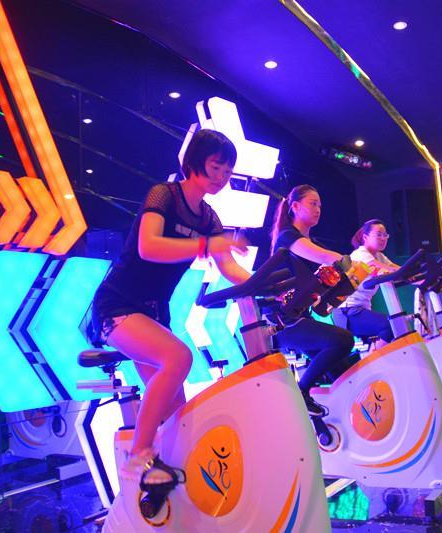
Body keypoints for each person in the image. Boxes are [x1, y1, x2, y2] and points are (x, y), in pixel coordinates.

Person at [90, 129, 250, 486]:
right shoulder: (164, 195)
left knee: (178, 414)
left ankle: (167, 479)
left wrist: (265, 283)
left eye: (227, 172)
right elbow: (148, 247)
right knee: (179, 358)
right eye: (216, 168)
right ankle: (138, 456)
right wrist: (206, 245)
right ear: (194, 162)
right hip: (118, 304)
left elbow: (229, 268)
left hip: (154, 313)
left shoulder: (209, 219)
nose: (222, 177)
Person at [270, 185, 356, 416]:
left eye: (320, 205)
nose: (318, 209)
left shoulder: (311, 240)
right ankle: (301, 393)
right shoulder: (288, 237)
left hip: (301, 316)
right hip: (282, 321)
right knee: (343, 340)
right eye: (313, 203)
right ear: (296, 206)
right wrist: (350, 262)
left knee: (346, 374)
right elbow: (326, 257)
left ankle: (333, 425)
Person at [333, 219, 399, 350]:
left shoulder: (379, 256)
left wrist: (418, 274)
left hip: (361, 309)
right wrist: (407, 273)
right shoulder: (361, 255)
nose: (383, 238)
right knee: (389, 326)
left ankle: (372, 356)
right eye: (379, 234)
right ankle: (372, 358)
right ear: (365, 237)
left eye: (385, 235)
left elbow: (396, 268)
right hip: (347, 312)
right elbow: (385, 270)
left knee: (394, 328)